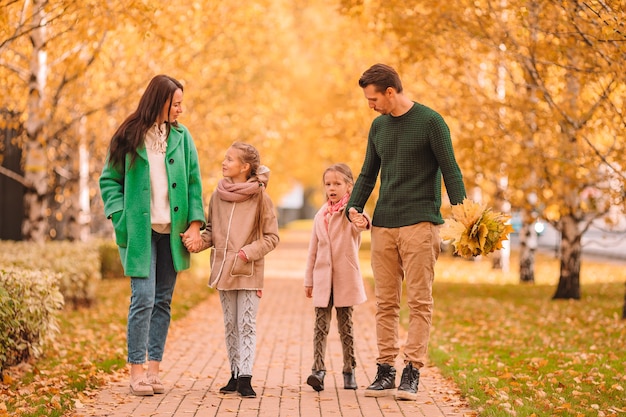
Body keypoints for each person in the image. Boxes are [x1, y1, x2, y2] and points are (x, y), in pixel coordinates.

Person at [346, 64, 466, 401]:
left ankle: (412, 371)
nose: (369, 105)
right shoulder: (378, 127)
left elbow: (451, 172)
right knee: (385, 303)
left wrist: (465, 216)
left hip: (421, 225)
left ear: (390, 92)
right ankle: (385, 371)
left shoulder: (431, 122)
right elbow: (367, 175)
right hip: (384, 225)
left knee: (418, 302)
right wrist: (353, 207)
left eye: (372, 99)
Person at [99, 74, 205, 396]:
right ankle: (136, 371)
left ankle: (154, 370)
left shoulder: (182, 137)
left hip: (171, 233)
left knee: (163, 301)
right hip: (141, 234)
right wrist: (121, 218)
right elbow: (109, 181)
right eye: (176, 104)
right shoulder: (128, 135)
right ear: (159, 102)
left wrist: (195, 223)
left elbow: (193, 183)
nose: (180, 110)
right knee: (142, 299)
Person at [189, 141, 279, 398]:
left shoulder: (261, 198)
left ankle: (246, 378)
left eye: (230, 159)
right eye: (225, 158)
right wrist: (197, 243)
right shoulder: (217, 196)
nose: (224, 162)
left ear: (245, 167)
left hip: (248, 270)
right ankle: (234, 373)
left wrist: (245, 253)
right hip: (222, 270)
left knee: (247, 323)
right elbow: (211, 232)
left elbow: (272, 237)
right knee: (230, 324)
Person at [304, 163, 370, 392]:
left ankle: (349, 370)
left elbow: (361, 222)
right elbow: (312, 251)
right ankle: (318, 371)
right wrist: (308, 281)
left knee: (346, 327)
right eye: (328, 184)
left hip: (344, 279)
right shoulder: (320, 215)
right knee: (320, 327)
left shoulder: (350, 213)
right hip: (323, 280)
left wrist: (361, 219)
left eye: (337, 184)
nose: (332, 188)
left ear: (349, 187)